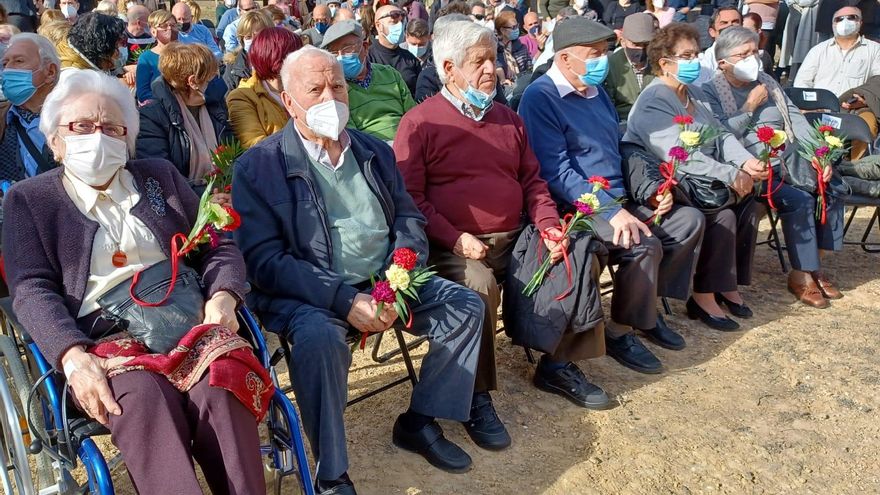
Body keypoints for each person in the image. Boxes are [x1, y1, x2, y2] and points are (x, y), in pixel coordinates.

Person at [233, 45, 485, 495]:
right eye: (315, 89)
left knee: (465, 306)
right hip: (314, 294)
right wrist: (345, 300)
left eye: (338, 86)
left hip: (387, 280)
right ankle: (331, 472)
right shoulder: (259, 167)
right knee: (319, 341)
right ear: (288, 101)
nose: (330, 98)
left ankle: (420, 420)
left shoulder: (372, 150)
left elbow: (409, 220)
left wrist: (394, 283)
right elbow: (265, 262)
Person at [3, 69, 268, 494]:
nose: (98, 136)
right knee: (141, 400)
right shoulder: (31, 199)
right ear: (55, 141)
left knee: (221, 383)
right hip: (104, 335)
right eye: (81, 127)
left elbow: (214, 244)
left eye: (111, 127)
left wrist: (223, 295)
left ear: (127, 138)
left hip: (186, 316)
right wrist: (71, 355)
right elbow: (31, 288)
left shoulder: (157, 175)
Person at [520, 17, 705, 380]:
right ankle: (620, 332)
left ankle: (641, 313)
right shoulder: (541, 97)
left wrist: (649, 190)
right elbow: (556, 172)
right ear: (565, 58)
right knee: (642, 242)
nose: (603, 61)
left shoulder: (597, 91)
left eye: (605, 52)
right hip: (578, 207)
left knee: (688, 221)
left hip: (619, 198)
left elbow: (616, 148)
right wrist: (612, 210)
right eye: (594, 54)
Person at [623, 22, 760, 330]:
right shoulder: (655, 98)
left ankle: (726, 283)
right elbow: (677, 155)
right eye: (685, 55)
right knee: (722, 215)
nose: (694, 61)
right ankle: (702, 295)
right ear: (664, 62)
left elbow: (721, 135)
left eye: (696, 54)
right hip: (668, 183)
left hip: (701, 178)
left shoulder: (693, 94)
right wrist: (729, 174)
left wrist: (746, 162)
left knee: (750, 204)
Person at [702, 27, 844, 308]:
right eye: (742, 54)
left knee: (834, 186)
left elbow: (795, 119)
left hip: (790, 160)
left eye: (753, 52)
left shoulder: (769, 82)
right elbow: (718, 137)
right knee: (799, 199)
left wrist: (818, 154)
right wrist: (748, 108)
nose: (751, 59)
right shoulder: (710, 91)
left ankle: (815, 263)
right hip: (753, 167)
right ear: (722, 62)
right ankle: (801, 274)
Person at [137, 43, 233, 189]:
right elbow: (161, 176)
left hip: (223, 190)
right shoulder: (151, 117)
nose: (218, 83)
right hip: (186, 200)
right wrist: (206, 198)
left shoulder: (215, 105)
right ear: (193, 82)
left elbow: (233, 152)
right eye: (211, 78)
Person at [322, 20, 415, 142]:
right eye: (334, 53)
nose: (341, 56)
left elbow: (413, 115)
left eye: (347, 49)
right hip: (371, 151)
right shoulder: (335, 89)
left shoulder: (389, 74)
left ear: (365, 48)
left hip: (408, 141)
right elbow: (351, 137)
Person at [0, 33, 60, 185]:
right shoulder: (3, 118)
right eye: (5, 64)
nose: (7, 70)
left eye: (19, 61)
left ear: (50, 72)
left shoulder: (75, 119)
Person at [227, 27, 302, 147]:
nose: (301, 59)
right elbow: (256, 147)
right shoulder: (243, 97)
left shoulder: (304, 87)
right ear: (276, 58)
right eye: (296, 54)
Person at [794, 6, 880, 97]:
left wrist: (863, 100)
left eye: (851, 17)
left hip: (854, 108)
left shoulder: (874, 49)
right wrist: (812, 104)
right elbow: (802, 82)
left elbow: (877, 81)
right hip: (820, 107)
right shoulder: (818, 50)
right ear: (833, 25)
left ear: (860, 22)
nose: (845, 21)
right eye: (839, 19)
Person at [605, 12, 656, 121]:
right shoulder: (610, 67)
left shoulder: (659, 63)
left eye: (647, 44)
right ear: (623, 42)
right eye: (635, 44)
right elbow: (608, 108)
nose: (641, 49)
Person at [369, 4, 421, 96]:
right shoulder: (367, 58)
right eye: (394, 22)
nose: (400, 26)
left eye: (402, 22)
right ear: (378, 26)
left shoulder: (410, 59)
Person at [57, 11, 125, 74]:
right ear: (102, 47)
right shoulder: (75, 74)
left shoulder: (83, 59)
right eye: (115, 45)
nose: (118, 53)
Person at [221, 10, 271, 91]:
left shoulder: (278, 62)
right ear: (242, 39)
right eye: (248, 37)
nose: (254, 40)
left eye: (259, 36)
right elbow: (227, 98)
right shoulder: (233, 66)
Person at [135, 9, 176, 103]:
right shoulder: (146, 58)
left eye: (173, 25)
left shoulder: (185, 54)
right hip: (160, 108)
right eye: (164, 26)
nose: (169, 29)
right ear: (153, 32)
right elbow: (143, 93)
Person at [695, 6, 742, 85]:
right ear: (712, 32)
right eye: (724, 23)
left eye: (735, 22)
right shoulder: (703, 64)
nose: (730, 26)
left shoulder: (754, 56)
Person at [495, 9, 531, 91]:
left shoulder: (521, 47)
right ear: (502, 30)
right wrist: (503, 79)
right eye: (513, 27)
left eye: (517, 26)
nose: (516, 29)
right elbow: (497, 66)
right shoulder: (494, 49)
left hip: (523, 87)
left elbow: (529, 68)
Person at [742, 12, 774, 76]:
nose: (743, 33)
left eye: (748, 30)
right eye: (741, 29)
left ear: (758, 31)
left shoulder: (764, 56)